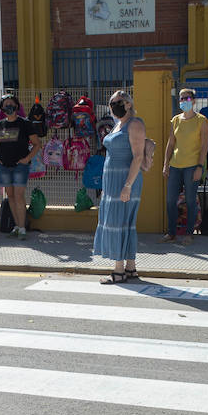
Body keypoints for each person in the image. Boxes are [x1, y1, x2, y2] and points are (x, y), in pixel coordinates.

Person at [93, 90, 147, 284]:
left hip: (125, 181)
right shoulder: (118, 124)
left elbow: (138, 156)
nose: (114, 106)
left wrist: (127, 186)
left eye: (119, 102)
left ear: (129, 104)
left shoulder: (135, 124)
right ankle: (130, 267)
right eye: (112, 102)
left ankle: (118, 271)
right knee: (123, 223)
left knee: (118, 223)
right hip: (112, 182)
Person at [0, 94, 41, 239]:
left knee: (18, 195)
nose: (8, 106)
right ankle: (17, 226)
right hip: (4, 166)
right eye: (5, 104)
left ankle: (23, 228)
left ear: (17, 106)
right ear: (2, 108)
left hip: (20, 166)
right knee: (10, 195)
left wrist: (27, 159)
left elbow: (37, 144)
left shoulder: (25, 123)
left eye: (11, 103)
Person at [162, 87, 208, 245]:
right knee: (170, 200)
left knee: (190, 200)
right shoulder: (175, 120)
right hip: (175, 165)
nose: (183, 101)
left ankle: (189, 233)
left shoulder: (202, 120)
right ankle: (172, 233)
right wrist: (166, 164)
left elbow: (204, 146)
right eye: (181, 98)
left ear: (193, 101)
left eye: (187, 98)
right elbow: (171, 143)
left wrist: (199, 167)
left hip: (192, 166)